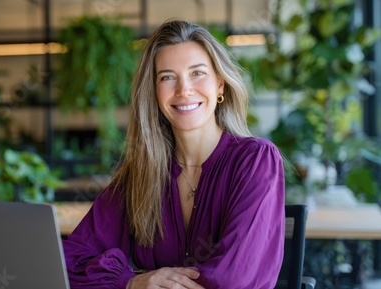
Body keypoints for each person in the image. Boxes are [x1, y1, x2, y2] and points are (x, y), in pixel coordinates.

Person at [62, 19, 285, 289]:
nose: (184, 90)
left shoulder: (255, 161)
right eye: (167, 77)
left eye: (197, 73)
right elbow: (67, 260)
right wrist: (131, 281)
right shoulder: (143, 174)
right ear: (155, 93)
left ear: (220, 86)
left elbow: (234, 279)